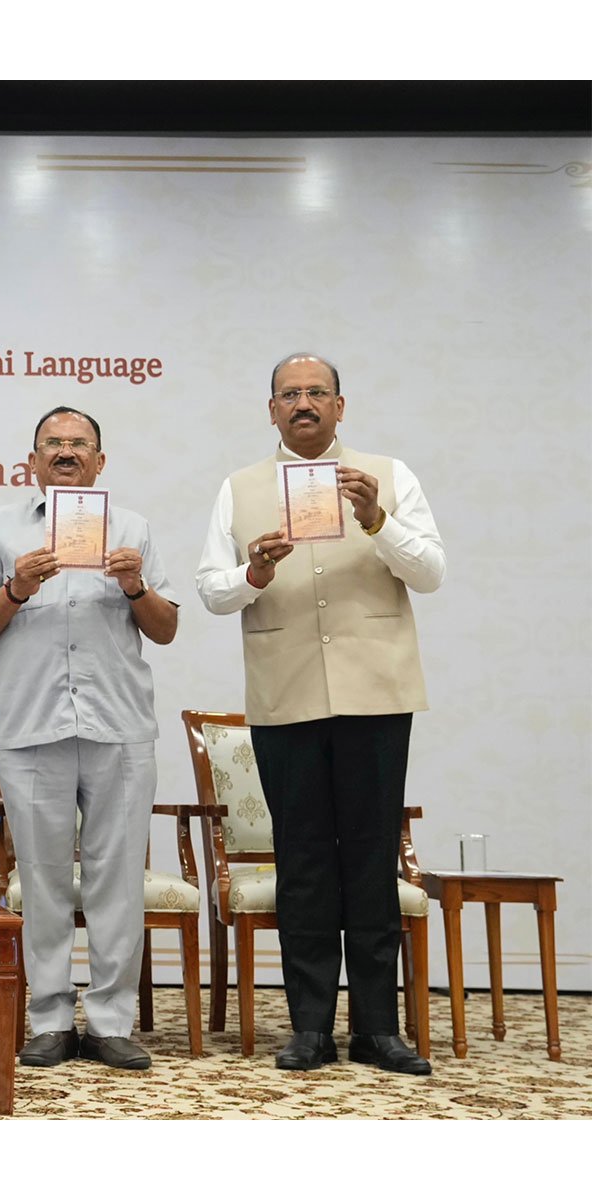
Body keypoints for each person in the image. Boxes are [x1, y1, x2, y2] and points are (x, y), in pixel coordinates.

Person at [195, 352, 445, 1075]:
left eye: (316, 394)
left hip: (376, 691)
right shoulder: (238, 489)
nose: (303, 404)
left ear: (341, 406)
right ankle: (308, 1027)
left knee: (370, 858)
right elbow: (214, 592)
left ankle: (377, 1029)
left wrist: (377, 519)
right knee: (302, 861)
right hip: (286, 695)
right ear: (270, 409)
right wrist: (255, 571)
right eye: (288, 395)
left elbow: (430, 572)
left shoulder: (390, 477)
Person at [0, 406, 178, 1071]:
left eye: (79, 443)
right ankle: (49, 1018)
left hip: (118, 728)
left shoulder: (133, 530)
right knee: (44, 881)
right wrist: (16, 588)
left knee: (117, 882)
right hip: (31, 726)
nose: (65, 451)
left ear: (99, 462)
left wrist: (136, 585)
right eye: (52, 443)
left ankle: (111, 1021)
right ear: (32, 461)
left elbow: (165, 629)